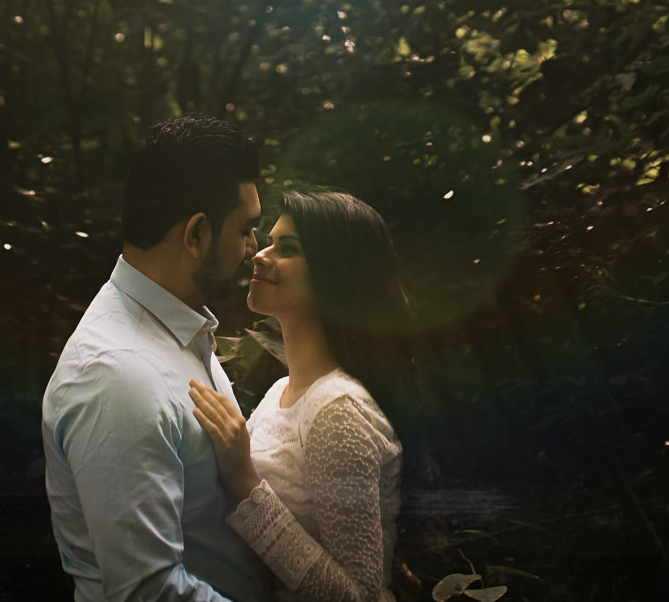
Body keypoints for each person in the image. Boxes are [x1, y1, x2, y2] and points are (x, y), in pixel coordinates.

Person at [42, 116, 270, 602]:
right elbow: (149, 592)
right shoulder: (118, 375)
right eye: (247, 230)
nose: (254, 248)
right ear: (196, 235)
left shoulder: (181, 332)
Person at [187, 190, 407, 602]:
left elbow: (357, 596)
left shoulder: (337, 411)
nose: (260, 255)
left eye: (287, 248)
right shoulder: (279, 393)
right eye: (268, 241)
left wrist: (247, 483)